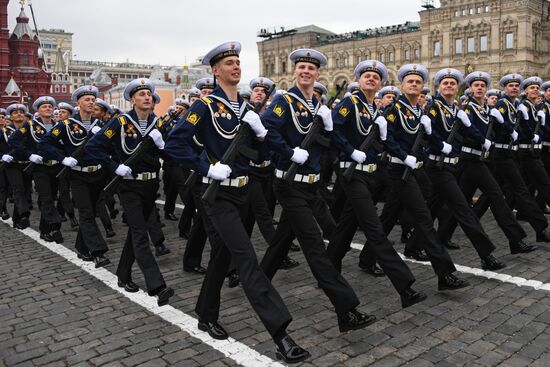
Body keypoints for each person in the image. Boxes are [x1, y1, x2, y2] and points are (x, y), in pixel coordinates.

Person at [165, 41, 310, 363]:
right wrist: (206, 167)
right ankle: (281, 334)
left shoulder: (245, 109)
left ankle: (205, 312)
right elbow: (175, 144)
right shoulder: (205, 106)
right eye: (229, 62)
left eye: (237, 62)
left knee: (222, 254)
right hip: (219, 195)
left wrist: (282, 150)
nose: (235, 66)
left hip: (243, 191)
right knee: (246, 257)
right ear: (216, 70)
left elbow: (267, 145)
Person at [261, 47, 377, 332]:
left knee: (279, 244)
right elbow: (266, 130)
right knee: (315, 248)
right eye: (301, 67)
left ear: (317, 74)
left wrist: (327, 128)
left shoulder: (319, 107)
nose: (306, 72)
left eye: (311, 69)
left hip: (311, 186)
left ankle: (257, 282)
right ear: (294, 71)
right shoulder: (283, 100)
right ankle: (346, 310)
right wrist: (289, 152)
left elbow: (326, 145)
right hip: (288, 184)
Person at [326, 59, 426, 308]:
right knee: (374, 228)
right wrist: (350, 151)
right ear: (358, 80)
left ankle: (328, 271)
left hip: (369, 173)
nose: (371, 79)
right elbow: (333, 131)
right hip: (351, 172)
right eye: (366, 75)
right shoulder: (351, 102)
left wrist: (382, 135)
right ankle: (405, 286)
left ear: (381, 83)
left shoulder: (375, 110)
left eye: (375, 76)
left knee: (346, 226)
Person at [86, 78, 174, 306]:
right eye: (141, 94)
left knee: (137, 232)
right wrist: (115, 166)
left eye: (149, 95)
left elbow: (172, 156)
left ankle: (123, 274)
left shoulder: (159, 125)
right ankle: (157, 286)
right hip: (129, 186)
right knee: (139, 233)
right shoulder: (120, 123)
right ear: (133, 100)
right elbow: (93, 147)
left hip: (151, 186)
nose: (146, 98)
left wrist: (163, 145)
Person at [383, 63, 469, 290]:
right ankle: (445, 274)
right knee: (424, 218)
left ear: (422, 87)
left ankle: (367, 257)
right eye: (410, 81)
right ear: (402, 85)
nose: (414, 84)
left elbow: (426, 139)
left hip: (416, 170)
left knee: (388, 217)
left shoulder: (419, 112)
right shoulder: (393, 110)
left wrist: (440, 144)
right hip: (398, 170)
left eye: (418, 82)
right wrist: (403, 156)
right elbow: (388, 140)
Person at [417, 68, 505, 270]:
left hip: (449, 166)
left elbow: (469, 130)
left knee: (429, 210)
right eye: (445, 83)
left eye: (452, 83)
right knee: (463, 209)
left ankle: (412, 246)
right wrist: (440, 144)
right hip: (436, 166)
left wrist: (484, 141)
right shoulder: (433, 107)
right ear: (439, 87)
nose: (449, 86)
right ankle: (486, 254)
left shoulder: (455, 110)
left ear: (457, 88)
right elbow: (425, 135)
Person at [40, 86, 110, 267]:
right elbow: (45, 143)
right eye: (87, 99)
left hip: (98, 174)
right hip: (78, 175)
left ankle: (81, 247)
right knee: (86, 213)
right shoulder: (66, 125)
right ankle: (98, 252)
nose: (91, 102)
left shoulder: (100, 125)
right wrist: (63, 158)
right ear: (78, 103)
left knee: (92, 212)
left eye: (93, 100)